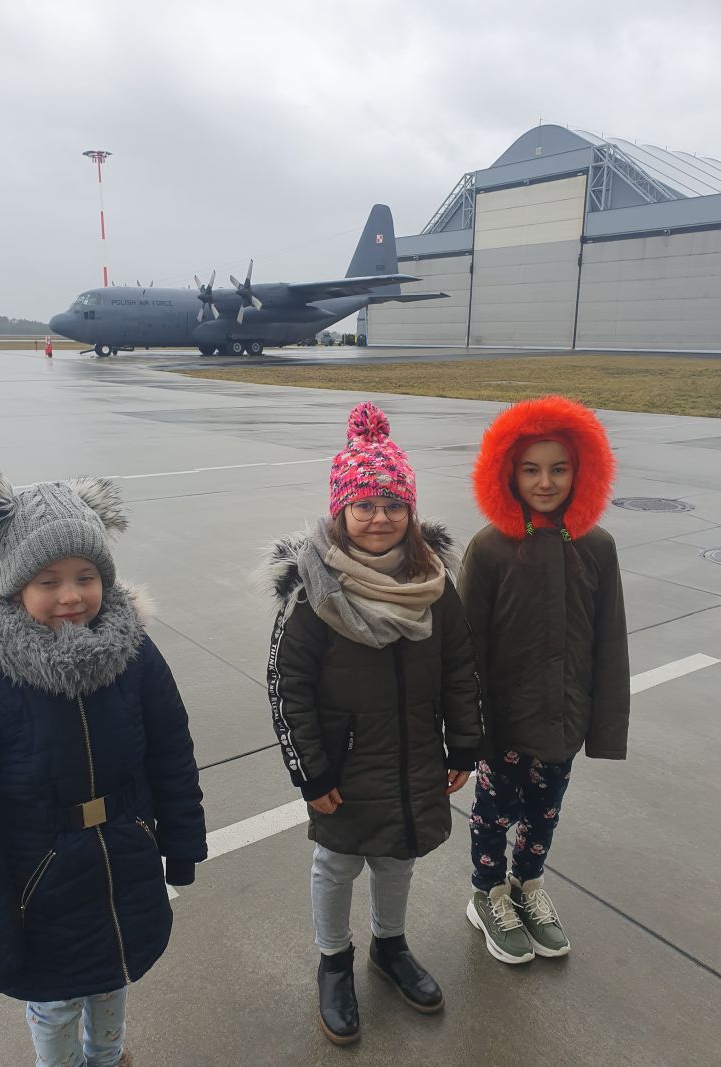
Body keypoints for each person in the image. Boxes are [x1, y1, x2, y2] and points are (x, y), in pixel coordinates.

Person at [0, 464, 207, 1067]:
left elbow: (171, 755)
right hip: (40, 893)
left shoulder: (133, 655)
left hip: (123, 869)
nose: (72, 595)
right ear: (15, 587)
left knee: (111, 985)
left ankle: (106, 1058)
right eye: (47, 580)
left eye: (86, 576)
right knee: (55, 1006)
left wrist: (181, 843)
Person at [262, 401, 482, 1045]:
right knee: (337, 863)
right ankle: (334, 961)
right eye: (363, 505)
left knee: (396, 858)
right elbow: (288, 689)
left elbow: (459, 666)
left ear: (410, 511)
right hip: (343, 763)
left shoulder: (433, 584)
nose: (379, 517)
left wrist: (464, 742)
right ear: (341, 511)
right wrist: (310, 771)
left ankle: (390, 947)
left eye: (393, 505)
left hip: (414, 753)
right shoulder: (312, 592)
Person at [457, 395, 629, 965]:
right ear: (508, 473)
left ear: (583, 471)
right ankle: (487, 894)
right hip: (505, 724)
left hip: (563, 718)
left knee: (544, 811)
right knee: (493, 813)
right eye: (531, 469)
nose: (546, 482)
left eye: (559, 469)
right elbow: (465, 648)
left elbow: (609, 643)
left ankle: (527, 886)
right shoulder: (490, 549)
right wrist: (467, 730)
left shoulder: (597, 547)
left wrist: (603, 726)